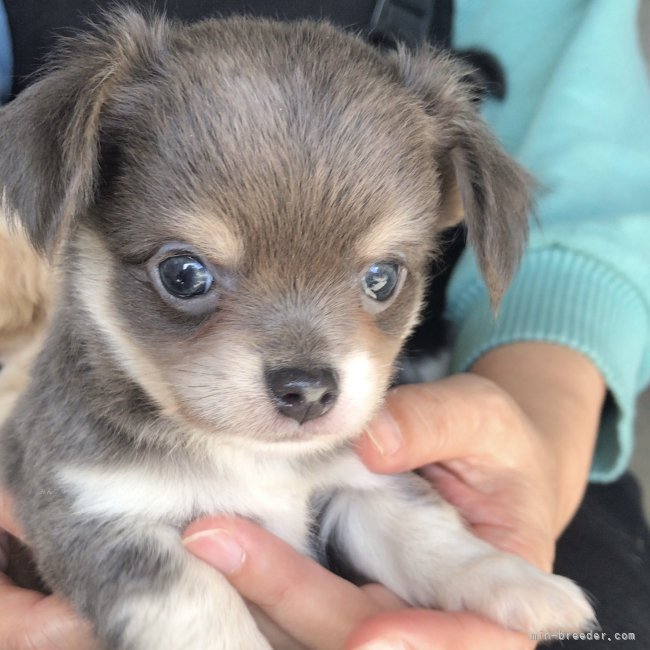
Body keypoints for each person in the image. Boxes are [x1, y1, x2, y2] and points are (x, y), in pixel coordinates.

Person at [1, 1, 649, 648]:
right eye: (189, 278)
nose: (306, 379)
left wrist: (471, 551)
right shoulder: (89, 453)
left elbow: (584, 213)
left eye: (379, 280)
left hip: (488, 418)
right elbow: (94, 529)